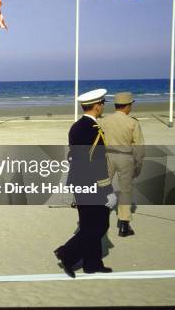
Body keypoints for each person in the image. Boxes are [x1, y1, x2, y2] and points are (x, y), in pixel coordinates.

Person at [54, 89, 116, 278]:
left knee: (90, 224)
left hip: (79, 182)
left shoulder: (76, 126)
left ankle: (92, 263)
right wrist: (107, 190)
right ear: (97, 106)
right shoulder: (92, 129)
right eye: (102, 103)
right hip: (93, 184)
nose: (103, 106)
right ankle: (66, 253)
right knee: (98, 226)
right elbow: (96, 161)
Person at [99, 92, 145, 237]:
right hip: (126, 157)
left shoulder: (104, 120)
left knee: (102, 187)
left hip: (108, 156)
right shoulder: (132, 122)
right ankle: (124, 225)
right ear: (128, 106)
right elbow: (139, 148)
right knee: (126, 190)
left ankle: (98, 218)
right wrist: (138, 165)